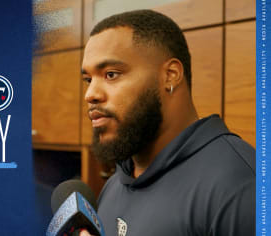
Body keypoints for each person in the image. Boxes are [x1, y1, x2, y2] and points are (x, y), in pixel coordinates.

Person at [80, 10, 255, 236]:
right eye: (88, 79)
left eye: (111, 74)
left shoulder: (240, 185)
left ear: (170, 75)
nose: (90, 94)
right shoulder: (114, 185)